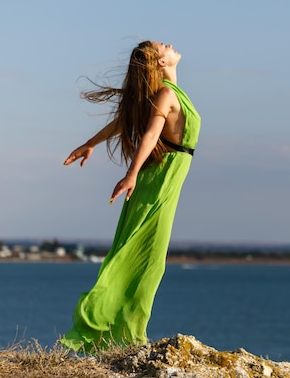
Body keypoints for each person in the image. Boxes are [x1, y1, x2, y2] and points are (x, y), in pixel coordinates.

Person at [60, 41, 201, 352]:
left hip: (164, 179)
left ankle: (123, 333)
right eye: (160, 46)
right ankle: (125, 335)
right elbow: (150, 134)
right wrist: (132, 173)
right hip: (157, 181)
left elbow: (125, 121)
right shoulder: (165, 95)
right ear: (159, 62)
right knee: (147, 258)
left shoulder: (166, 92)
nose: (168, 44)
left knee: (148, 257)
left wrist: (91, 143)